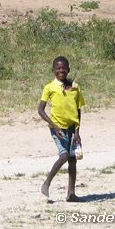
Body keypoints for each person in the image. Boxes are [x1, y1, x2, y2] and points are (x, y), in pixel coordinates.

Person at [38, 56, 84, 202]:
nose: (61, 70)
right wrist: (54, 126)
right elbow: (40, 110)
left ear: (68, 69)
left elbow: (78, 110)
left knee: (72, 160)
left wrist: (77, 131)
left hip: (71, 129)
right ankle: (47, 183)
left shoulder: (75, 88)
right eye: (58, 68)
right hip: (57, 128)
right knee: (64, 156)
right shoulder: (49, 87)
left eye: (64, 68)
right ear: (53, 70)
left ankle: (71, 193)